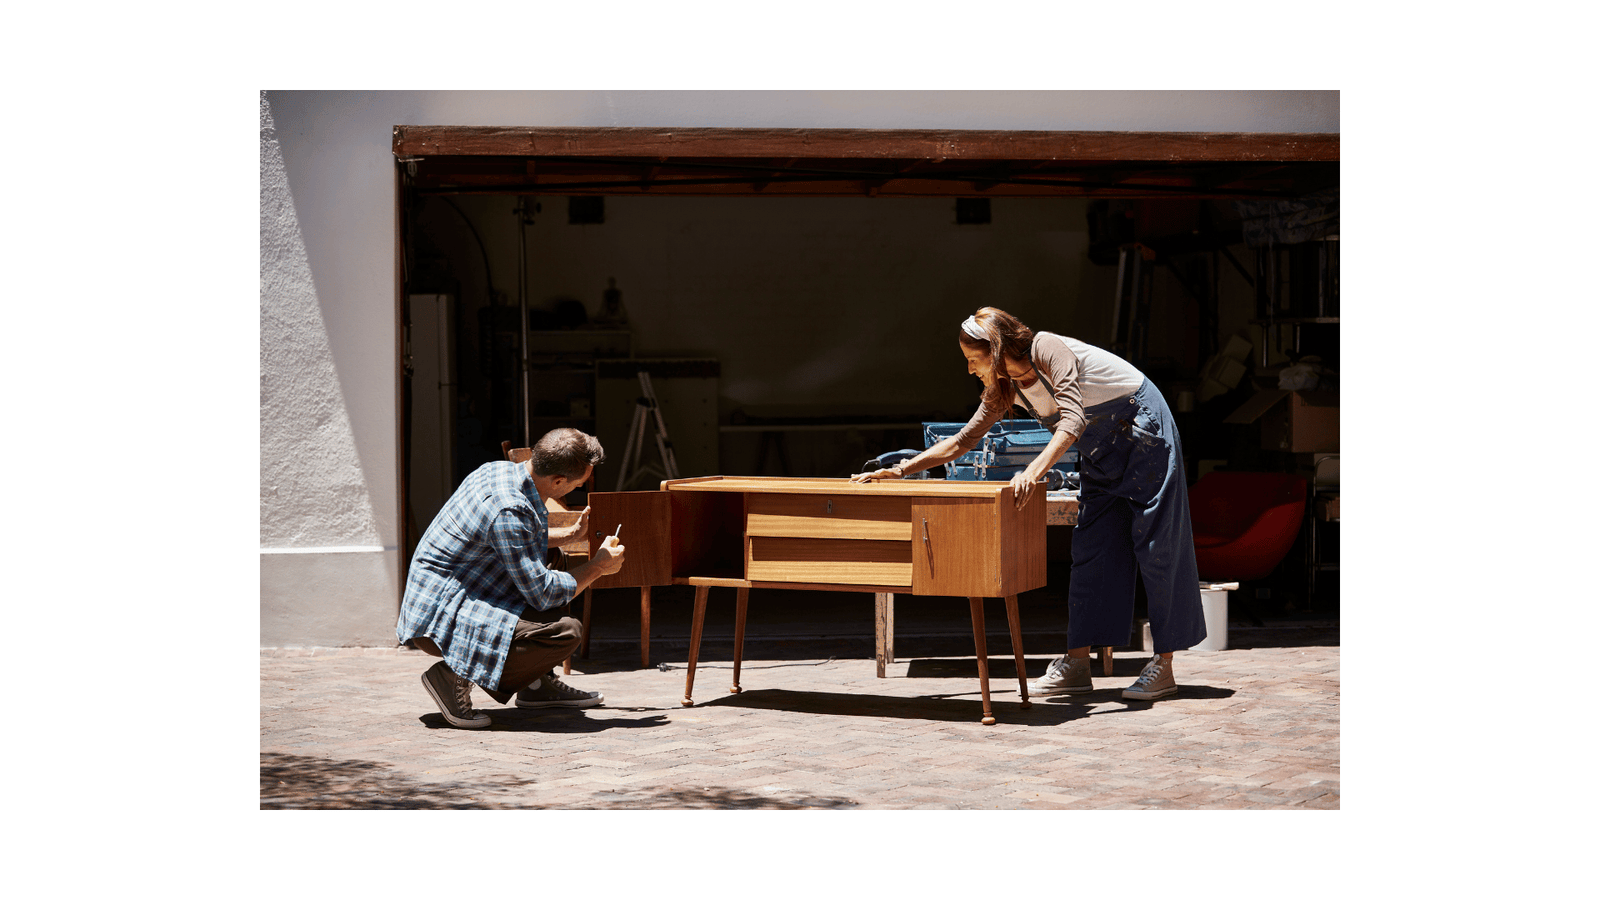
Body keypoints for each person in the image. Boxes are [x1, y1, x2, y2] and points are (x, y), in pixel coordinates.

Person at [851, 307, 1205, 700]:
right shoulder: (1006, 386)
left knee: (1157, 547)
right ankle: (1077, 664)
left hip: (1142, 429)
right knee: (1092, 549)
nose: (969, 369)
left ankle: (1164, 665)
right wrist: (901, 469)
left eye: (973, 359)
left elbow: (1073, 419)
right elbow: (965, 439)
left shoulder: (1047, 349)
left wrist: (1032, 471)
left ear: (995, 350)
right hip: (1101, 451)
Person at [397, 427, 627, 728]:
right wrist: (598, 566)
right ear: (558, 481)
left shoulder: (498, 470)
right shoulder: (509, 508)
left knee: (554, 563)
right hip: (439, 617)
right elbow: (543, 593)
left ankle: (535, 684)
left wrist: (570, 534)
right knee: (565, 632)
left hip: (454, 590)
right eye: (578, 484)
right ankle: (451, 676)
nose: (577, 489)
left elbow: (515, 538)